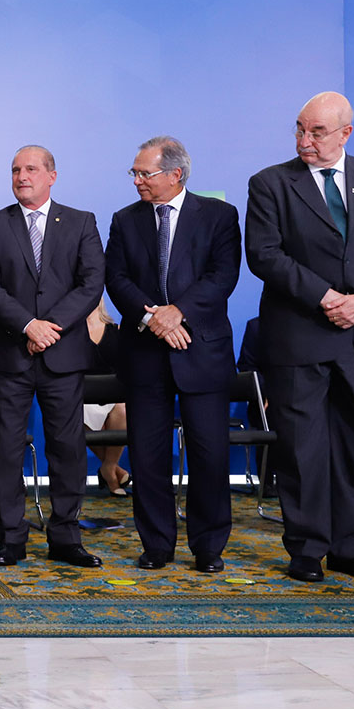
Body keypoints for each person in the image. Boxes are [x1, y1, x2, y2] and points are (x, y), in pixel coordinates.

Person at [245, 91, 354, 583]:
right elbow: (264, 255)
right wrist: (328, 298)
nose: (304, 140)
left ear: (345, 133)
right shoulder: (270, 182)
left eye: (316, 132)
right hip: (300, 336)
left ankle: (349, 547)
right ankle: (307, 549)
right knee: (302, 449)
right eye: (299, 129)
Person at [105, 135, 241, 572]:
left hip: (202, 351)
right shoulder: (125, 220)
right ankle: (157, 544)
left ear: (175, 174)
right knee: (147, 456)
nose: (137, 181)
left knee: (209, 454)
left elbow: (223, 276)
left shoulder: (219, 215)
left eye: (144, 173)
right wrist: (154, 320)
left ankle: (208, 547)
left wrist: (178, 313)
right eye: (134, 173)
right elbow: (117, 279)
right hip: (145, 353)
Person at [0, 145, 104, 568]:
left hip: (62, 356)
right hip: (9, 355)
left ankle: (65, 537)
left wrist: (50, 328)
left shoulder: (81, 222)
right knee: (6, 450)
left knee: (67, 448)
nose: (21, 176)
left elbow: (91, 283)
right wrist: (29, 326)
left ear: (52, 176)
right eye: (15, 170)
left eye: (30, 169)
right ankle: (11, 538)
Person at [83, 299, 130, 496]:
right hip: (82, 398)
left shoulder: (116, 331)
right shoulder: (71, 333)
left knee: (122, 408)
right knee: (72, 412)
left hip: (113, 397)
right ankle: (113, 471)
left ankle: (108, 467)